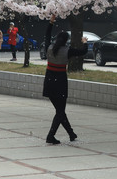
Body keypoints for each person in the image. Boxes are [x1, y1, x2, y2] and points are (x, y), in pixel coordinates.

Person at [43, 14, 88, 144]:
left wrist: (51, 22)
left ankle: (71, 133)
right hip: (60, 84)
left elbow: (46, 35)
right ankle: (50, 136)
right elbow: (83, 52)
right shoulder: (68, 51)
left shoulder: (49, 48)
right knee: (60, 111)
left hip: (49, 82)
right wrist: (85, 42)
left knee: (60, 111)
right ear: (66, 41)